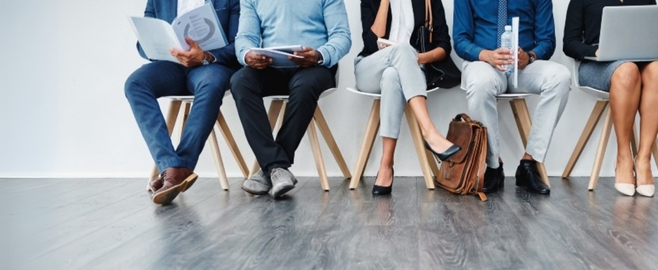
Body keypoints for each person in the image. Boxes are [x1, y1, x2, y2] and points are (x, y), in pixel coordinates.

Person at [124, 0, 240, 205]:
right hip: (172, 65)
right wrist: (157, 46)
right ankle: (172, 167)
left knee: (211, 84)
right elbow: (143, 46)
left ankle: (178, 170)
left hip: (210, 65)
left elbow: (238, 44)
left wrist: (204, 56)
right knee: (135, 83)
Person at [233, 0, 351, 198]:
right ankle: (277, 167)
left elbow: (342, 36)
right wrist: (247, 55)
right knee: (240, 81)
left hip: (314, 67)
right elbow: (245, 37)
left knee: (304, 85)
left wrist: (319, 54)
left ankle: (271, 167)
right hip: (271, 67)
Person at [453, 0, 571, 195]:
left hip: (523, 66)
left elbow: (547, 41)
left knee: (560, 77)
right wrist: (485, 55)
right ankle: (493, 165)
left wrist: (531, 56)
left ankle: (529, 162)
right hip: (485, 62)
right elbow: (460, 40)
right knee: (480, 83)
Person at [355, 0, 461, 195]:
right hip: (370, 68)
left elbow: (443, 46)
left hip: (408, 70)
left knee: (392, 75)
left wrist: (415, 58)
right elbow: (371, 43)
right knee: (402, 50)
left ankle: (386, 166)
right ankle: (429, 132)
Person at [563, 0, 658, 197]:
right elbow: (569, 43)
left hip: (640, 61)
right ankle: (623, 157)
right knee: (627, 70)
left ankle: (644, 159)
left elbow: (653, 36)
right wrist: (595, 51)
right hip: (597, 65)